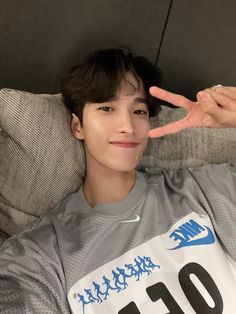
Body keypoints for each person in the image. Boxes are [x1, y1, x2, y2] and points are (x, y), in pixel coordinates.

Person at [0, 48, 236, 314]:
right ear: (78, 126)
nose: (127, 125)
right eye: (106, 107)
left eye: (139, 111)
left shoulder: (202, 189)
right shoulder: (41, 256)